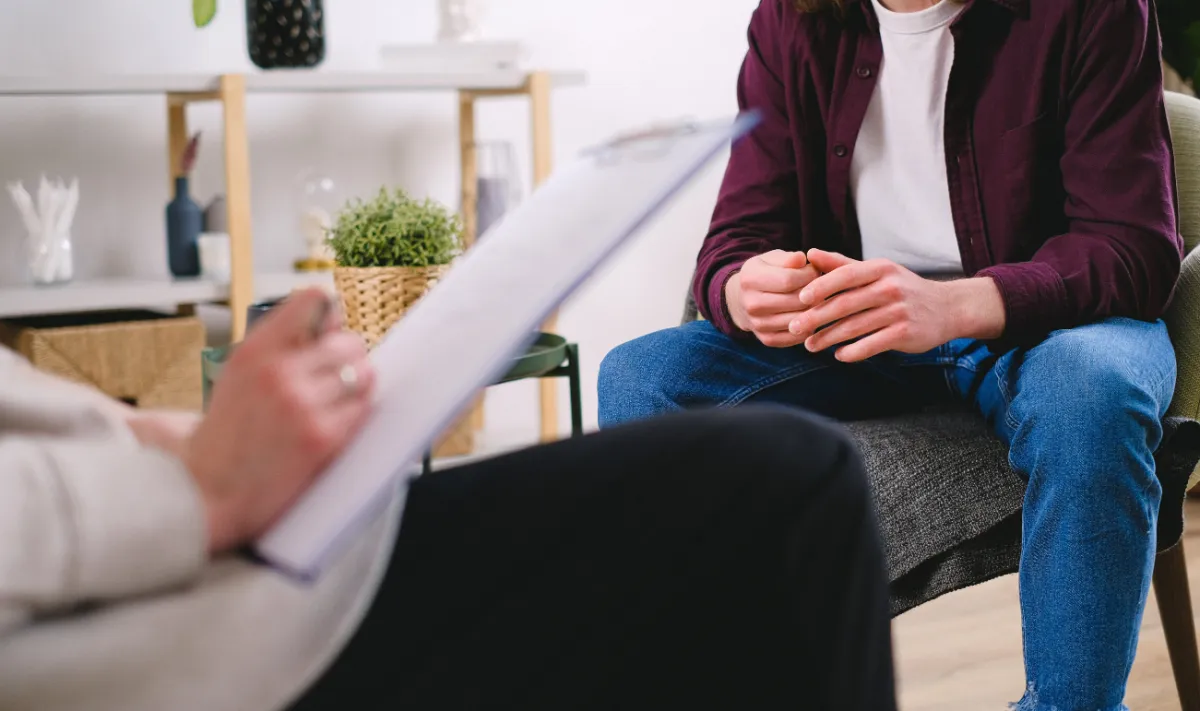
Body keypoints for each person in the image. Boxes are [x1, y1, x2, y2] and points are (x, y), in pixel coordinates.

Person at [597, 0, 1181, 709]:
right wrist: (742, 288)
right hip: (860, 335)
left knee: (1090, 393)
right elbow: (736, 237)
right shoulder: (793, 18)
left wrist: (954, 305)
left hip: (1048, 326)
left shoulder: (1090, 9)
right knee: (639, 377)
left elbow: (1134, 247)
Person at [0, 288, 896, 711]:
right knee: (785, 482)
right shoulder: (794, 30)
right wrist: (194, 488)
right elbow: (735, 238)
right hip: (183, 630)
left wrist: (168, 436)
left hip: (200, 558)